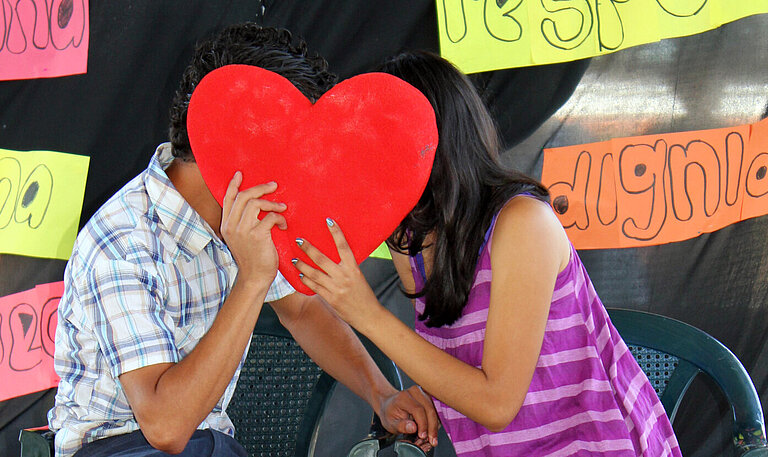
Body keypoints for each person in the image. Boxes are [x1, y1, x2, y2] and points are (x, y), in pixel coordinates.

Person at [47, 25, 438, 457]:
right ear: (243, 145)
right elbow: (165, 427)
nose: (306, 173)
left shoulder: (250, 211)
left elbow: (303, 309)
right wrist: (252, 279)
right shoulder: (122, 240)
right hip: (117, 447)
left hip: (213, 443)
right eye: (295, 148)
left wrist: (380, 394)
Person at [293, 51, 683, 456]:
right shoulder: (410, 237)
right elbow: (460, 366)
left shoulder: (522, 221)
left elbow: (496, 403)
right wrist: (424, 402)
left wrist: (366, 314)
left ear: (433, 142)